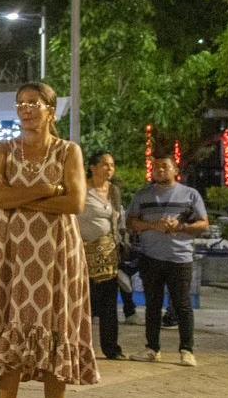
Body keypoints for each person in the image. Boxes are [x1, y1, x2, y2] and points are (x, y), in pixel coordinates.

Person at [0, 82, 96, 398]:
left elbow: (75, 203)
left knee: (57, 326)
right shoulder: (4, 150)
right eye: (21, 103)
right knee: (12, 323)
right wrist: (46, 190)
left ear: (50, 110)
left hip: (56, 251)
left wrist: (18, 199)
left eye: (34, 103)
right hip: (11, 251)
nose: (26, 109)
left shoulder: (68, 152)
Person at [127, 155, 208, 366]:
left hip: (180, 258)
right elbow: (131, 222)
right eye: (156, 167)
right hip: (150, 257)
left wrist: (180, 227)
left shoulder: (190, 194)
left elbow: (203, 224)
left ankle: (187, 350)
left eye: (165, 167)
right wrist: (153, 226)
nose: (160, 170)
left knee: (182, 305)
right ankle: (152, 348)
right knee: (152, 305)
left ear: (175, 170)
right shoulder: (143, 195)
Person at [79, 151, 127, 360]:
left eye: (112, 165)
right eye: (105, 164)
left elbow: (118, 219)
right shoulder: (81, 188)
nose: (109, 169)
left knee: (109, 303)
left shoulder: (113, 191)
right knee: (84, 302)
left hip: (108, 253)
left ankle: (111, 347)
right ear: (93, 167)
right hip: (84, 252)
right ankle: (80, 347)